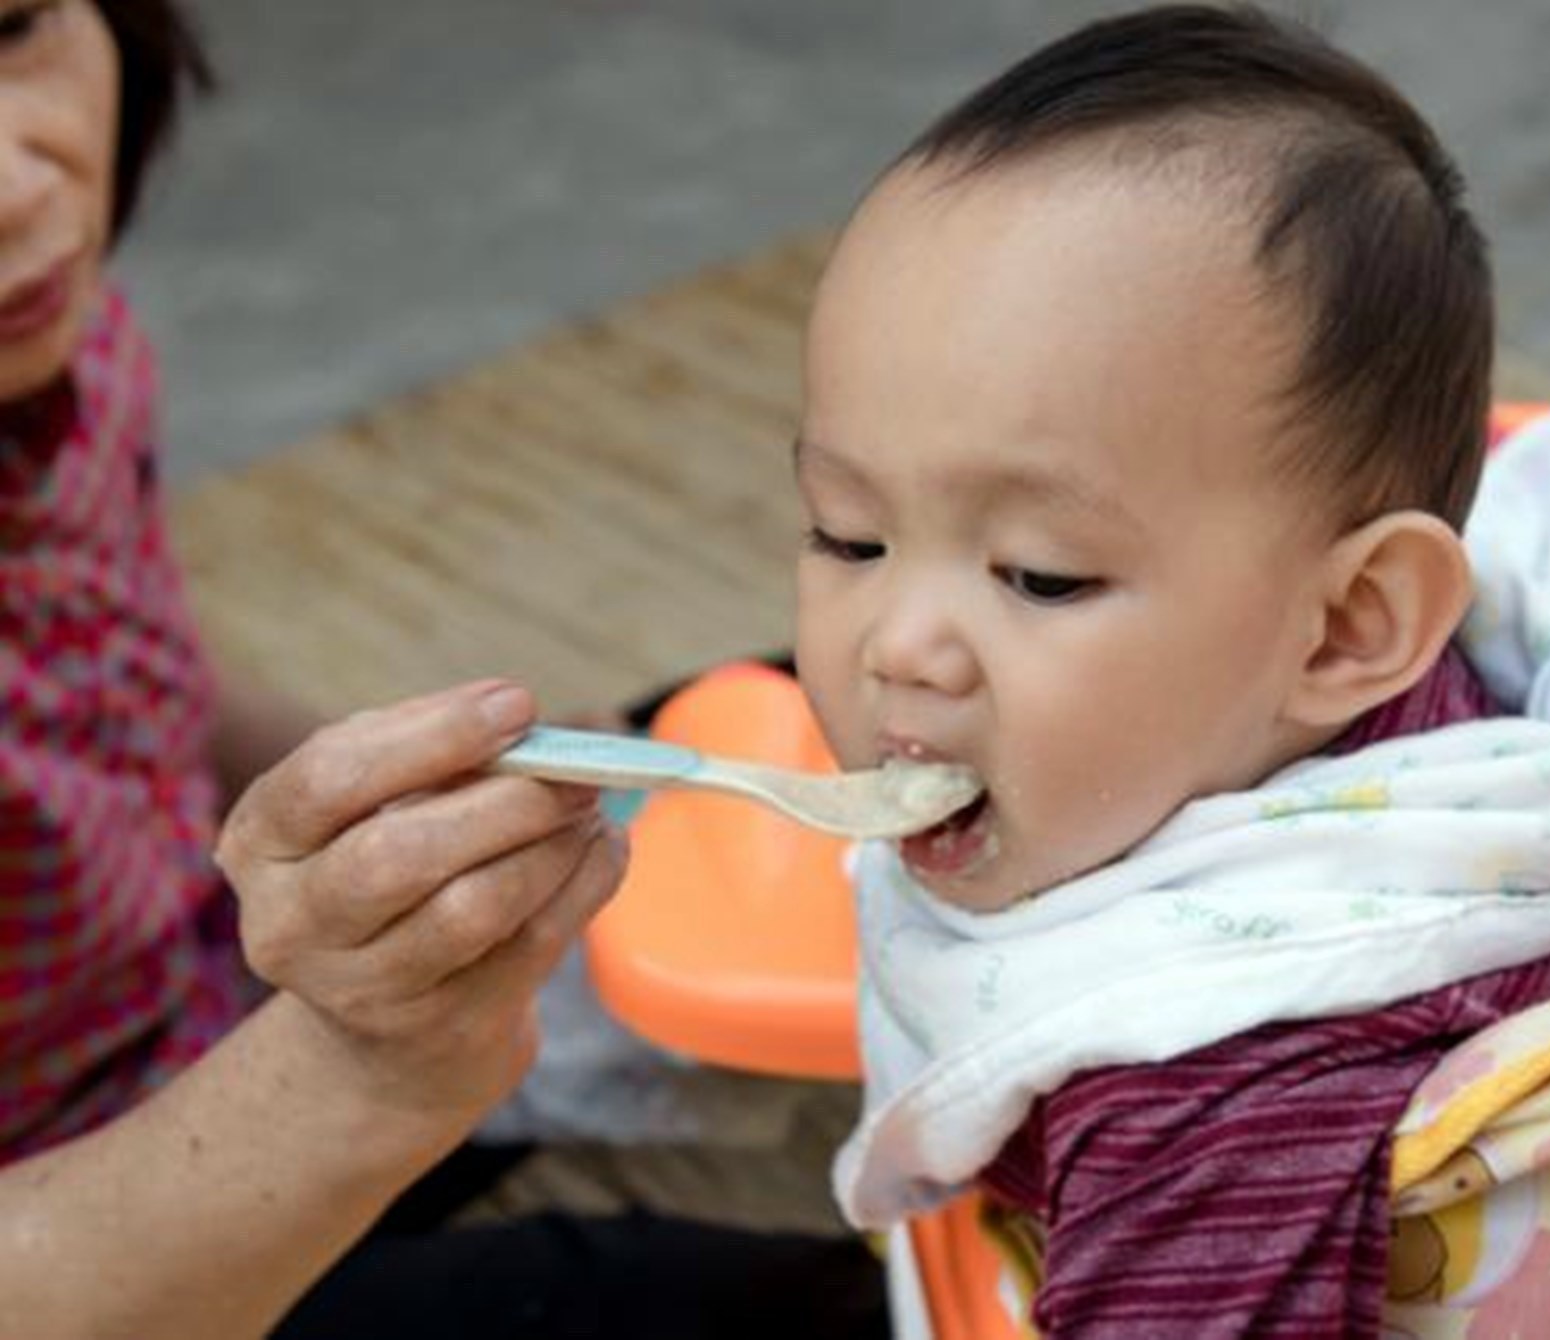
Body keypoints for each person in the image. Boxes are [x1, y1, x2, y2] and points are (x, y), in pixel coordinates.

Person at [786, 6, 1550, 1334]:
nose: (897, 644)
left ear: (1350, 628)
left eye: (1040, 576)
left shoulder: (1218, 1093)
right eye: (847, 535)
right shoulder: (1284, 709)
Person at [0, 4, 886, 1337]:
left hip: (218, 986)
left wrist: (404, 788)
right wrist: (361, 1071)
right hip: (94, 1229)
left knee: (847, 720)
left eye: (16, 28)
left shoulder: (55, 332)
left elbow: (132, 672)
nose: (18, 190)